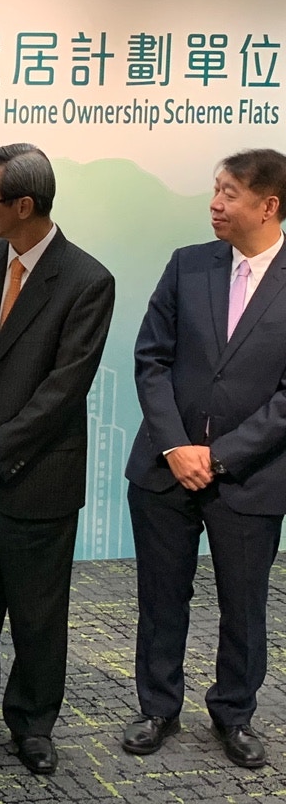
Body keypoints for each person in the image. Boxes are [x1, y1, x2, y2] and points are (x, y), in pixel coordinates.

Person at [0, 143, 115, 775]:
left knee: (38, 614)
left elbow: (64, 389)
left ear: (24, 205)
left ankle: (33, 724)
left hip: (37, 475)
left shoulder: (87, 280)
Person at [122, 148, 286, 769]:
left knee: (244, 604)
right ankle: (157, 707)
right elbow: (151, 359)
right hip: (164, 468)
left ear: (268, 206)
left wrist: (217, 458)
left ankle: (234, 713)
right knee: (161, 597)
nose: (214, 204)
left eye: (229, 193)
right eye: (215, 190)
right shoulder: (187, 265)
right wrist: (176, 445)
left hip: (250, 476)